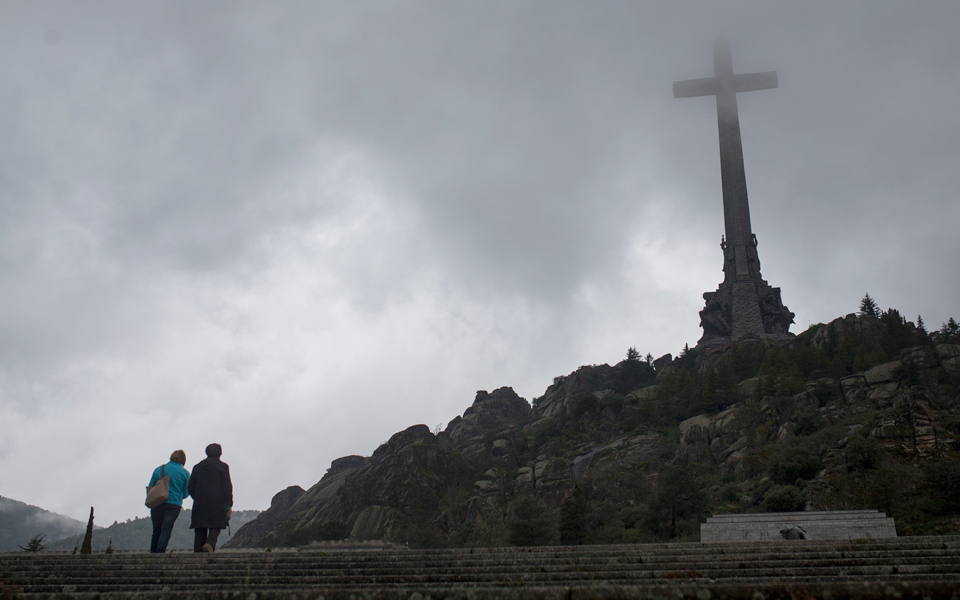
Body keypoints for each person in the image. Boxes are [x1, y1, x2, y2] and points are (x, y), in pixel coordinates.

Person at [188, 443, 233, 552]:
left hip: (200, 502)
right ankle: (210, 543)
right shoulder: (223, 467)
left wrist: (197, 497)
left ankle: (197, 556)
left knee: (200, 529)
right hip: (217, 502)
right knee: (217, 525)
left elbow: (190, 486)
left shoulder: (197, 467)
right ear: (220, 454)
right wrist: (228, 504)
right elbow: (227, 486)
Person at [148, 449, 190, 553]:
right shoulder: (185, 473)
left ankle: (153, 553)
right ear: (183, 460)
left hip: (157, 502)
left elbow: (151, 486)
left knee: (156, 529)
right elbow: (186, 492)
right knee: (166, 529)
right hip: (174, 504)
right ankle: (160, 551)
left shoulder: (159, 469)